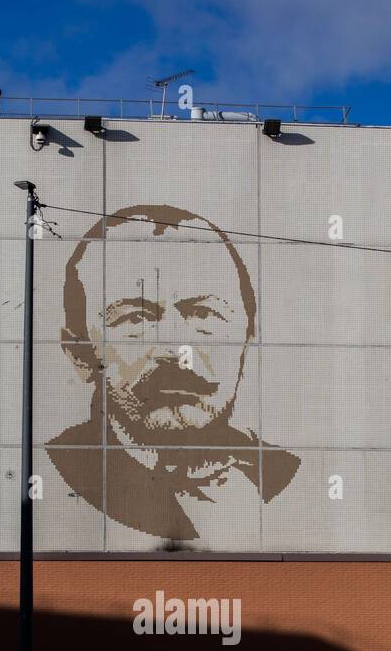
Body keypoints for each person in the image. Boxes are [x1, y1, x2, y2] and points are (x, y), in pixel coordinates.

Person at [46, 203, 300, 540]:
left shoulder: (282, 473)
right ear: (80, 354)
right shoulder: (57, 472)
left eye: (204, 314)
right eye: (136, 318)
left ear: (248, 340)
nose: (176, 350)